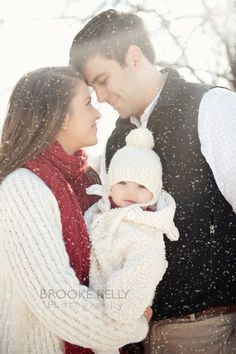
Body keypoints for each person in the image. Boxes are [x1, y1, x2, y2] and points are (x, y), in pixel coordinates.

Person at [69, 9, 236, 353]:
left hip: (206, 328)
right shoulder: (117, 139)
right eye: (92, 87)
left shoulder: (211, 107)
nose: (99, 97)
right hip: (134, 334)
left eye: (102, 79)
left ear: (133, 56)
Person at [0, 66, 149, 354]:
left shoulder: (88, 182)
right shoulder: (22, 188)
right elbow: (59, 304)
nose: (97, 113)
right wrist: (134, 324)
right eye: (87, 103)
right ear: (60, 118)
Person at [84, 128, 179, 354]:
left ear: (154, 192)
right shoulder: (98, 213)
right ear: (110, 185)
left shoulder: (147, 228)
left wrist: (120, 306)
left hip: (118, 314)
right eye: (123, 182)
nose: (131, 191)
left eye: (141, 186)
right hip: (88, 307)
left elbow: (147, 265)